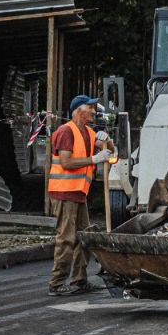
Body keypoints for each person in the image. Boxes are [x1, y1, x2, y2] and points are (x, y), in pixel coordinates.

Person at [48, 95, 115, 295]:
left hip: (78, 192)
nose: (94, 111)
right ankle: (57, 283)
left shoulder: (88, 132)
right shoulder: (65, 131)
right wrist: (94, 158)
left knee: (85, 237)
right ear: (78, 110)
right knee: (67, 238)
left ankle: (79, 280)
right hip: (64, 192)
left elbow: (111, 151)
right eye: (91, 108)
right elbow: (67, 163)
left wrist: (107, 140)